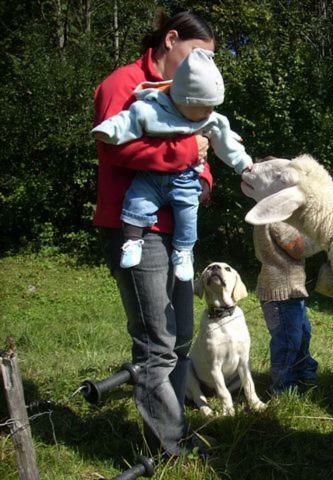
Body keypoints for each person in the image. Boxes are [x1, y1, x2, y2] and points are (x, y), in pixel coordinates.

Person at [93, 11, 241, 457]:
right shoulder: (122, 83)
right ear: (170, 39)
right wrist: (184, 151)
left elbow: (201, 148)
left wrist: (205, 182)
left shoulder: (186, 94)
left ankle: (172, 428)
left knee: (178, 338)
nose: (204, 66)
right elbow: (114, 145)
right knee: (157, 341)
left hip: (177, 235)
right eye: (198, 54)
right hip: (133, 227)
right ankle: (170, 448)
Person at [92, 47, 252, 281]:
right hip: (151, 177)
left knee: (188, 216)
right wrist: (108, 130)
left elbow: (226, 142)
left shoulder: (209, 118)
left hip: (185, 180)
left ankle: (184, 251)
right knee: (137, 201)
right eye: (204, 107)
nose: (210, 112)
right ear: (182, 100)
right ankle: (132, 241)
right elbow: (128, 120)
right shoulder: (153, 109)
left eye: (213, 107)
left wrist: (243, 164)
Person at [253, 221, 321, 394]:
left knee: (302, 334)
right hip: (281, 294)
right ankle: (282, 388)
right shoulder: (277, 220)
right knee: (288, 341)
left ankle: (304, 375)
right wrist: (323, 238)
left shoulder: (269, 216)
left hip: (288, 292)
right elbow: (299, 248)